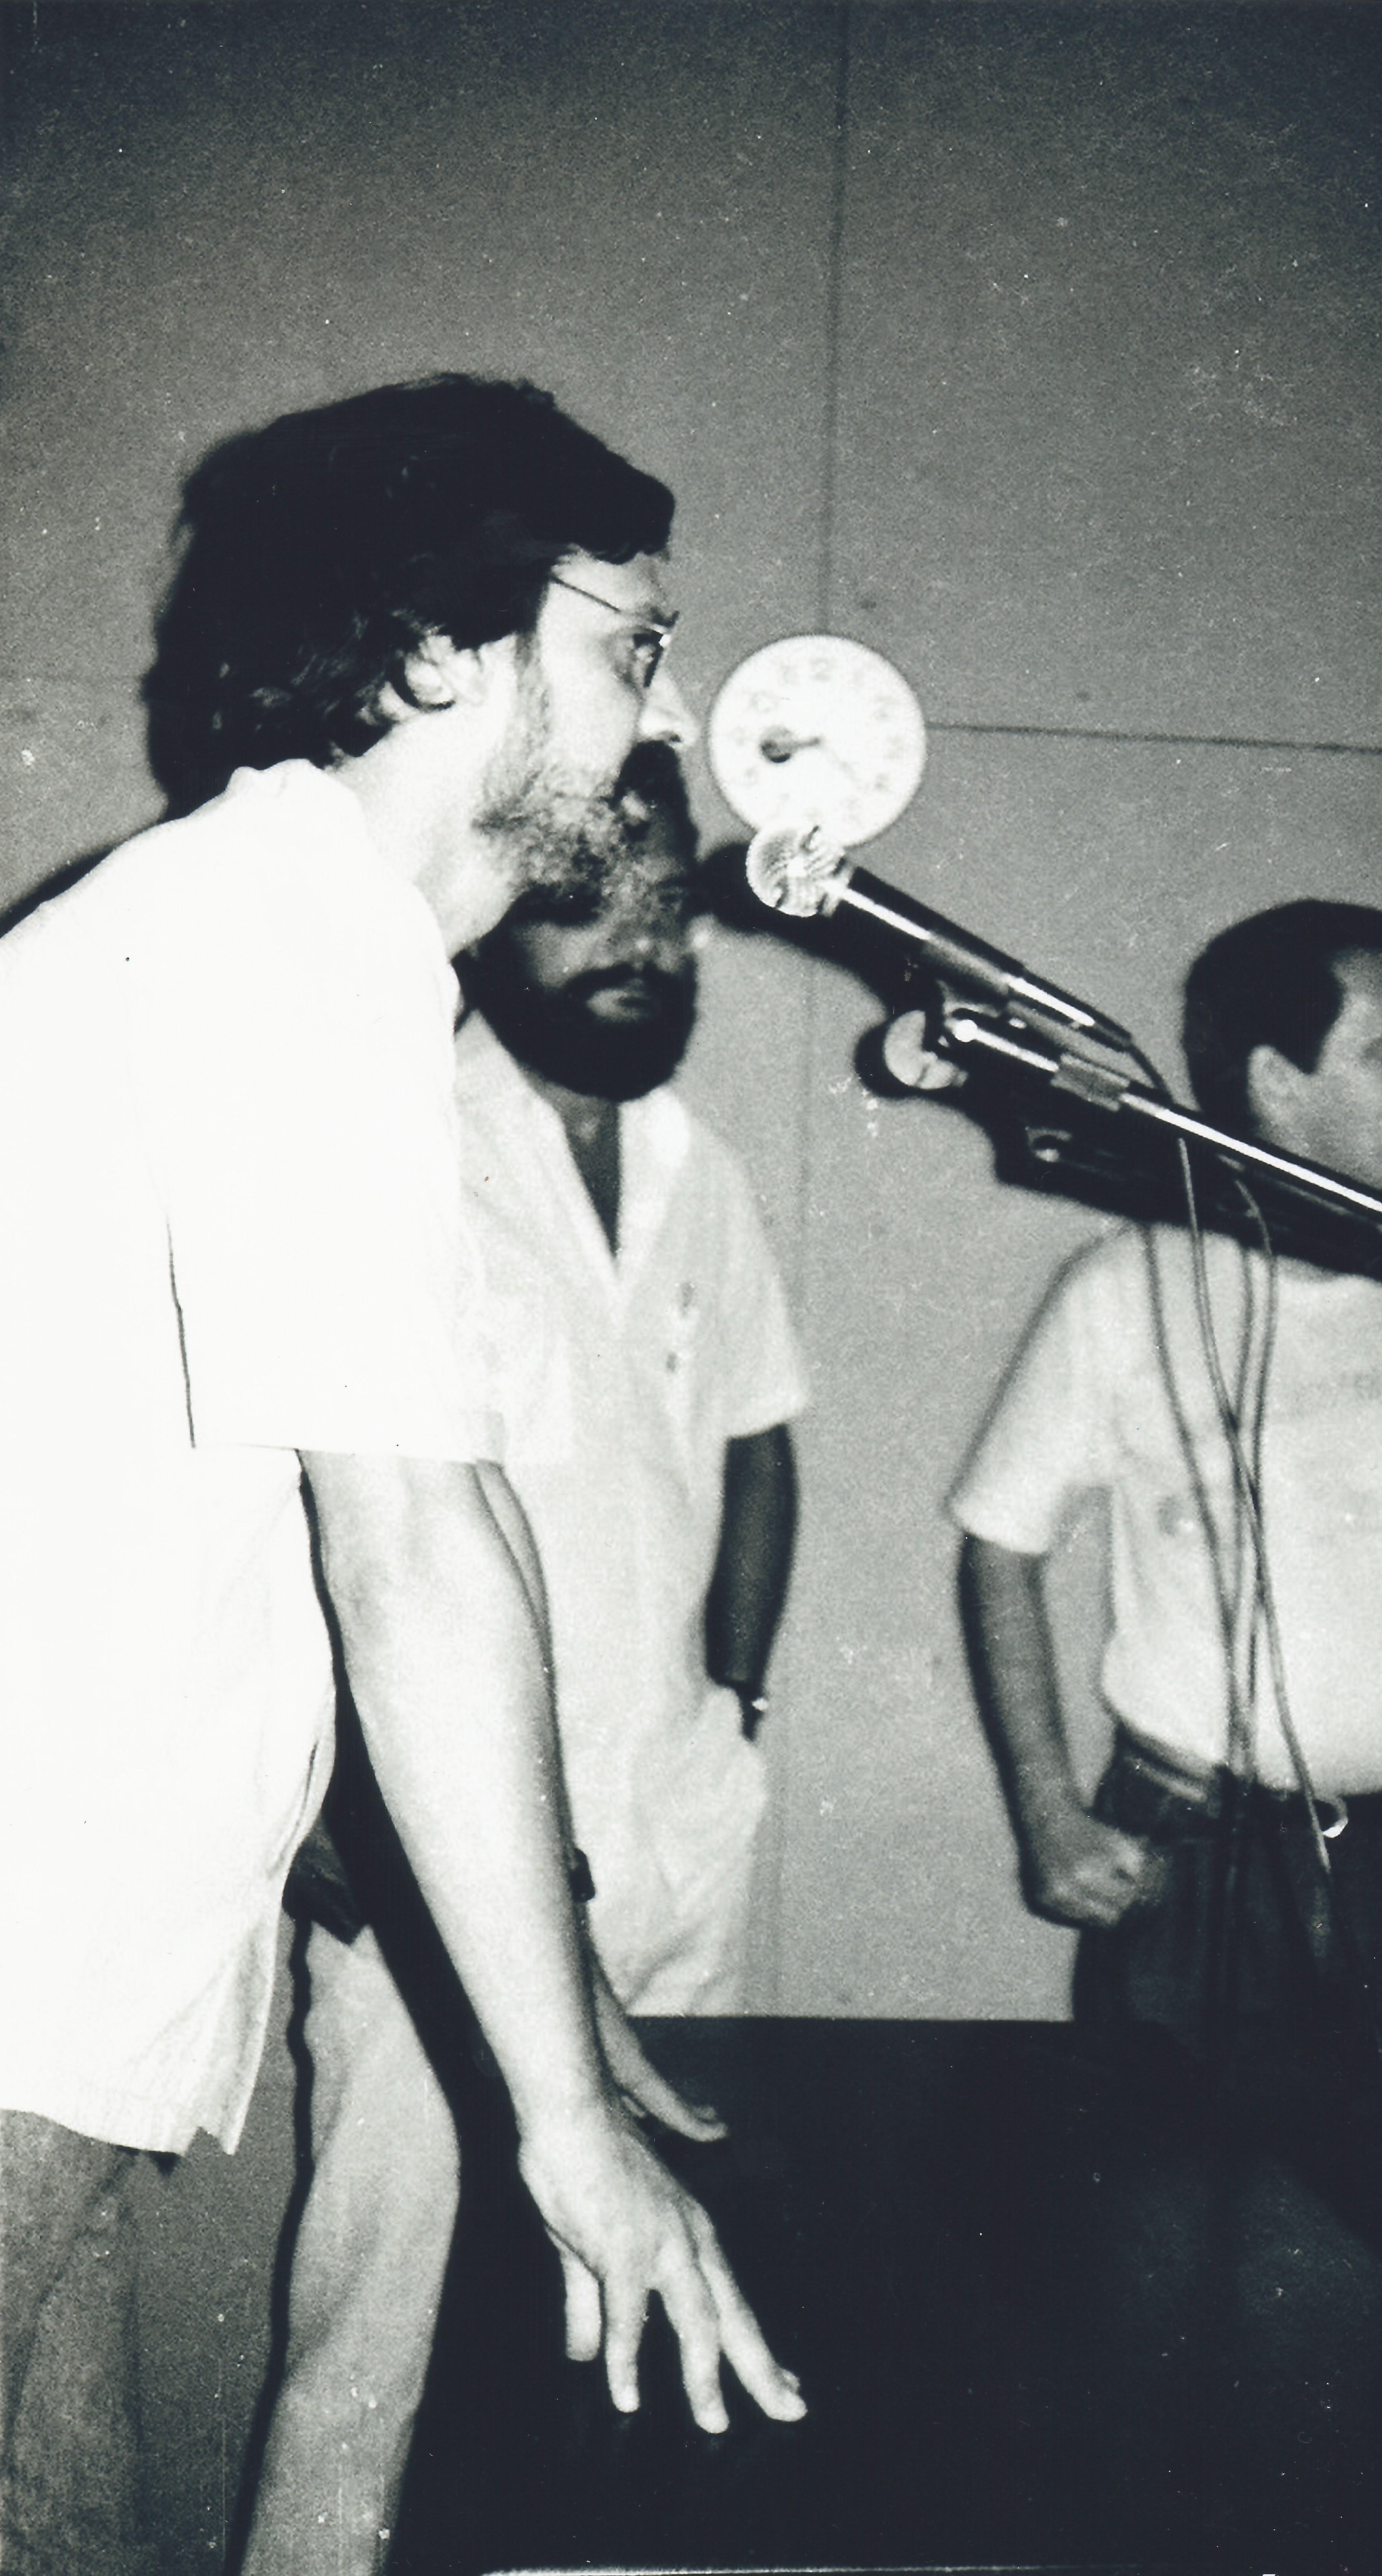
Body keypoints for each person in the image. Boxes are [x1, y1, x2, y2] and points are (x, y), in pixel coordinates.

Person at [0, 376, 803, 2576]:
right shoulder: (283, 940)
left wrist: (556, 1973)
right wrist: (562, 2126)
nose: (669, 715)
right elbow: (410, 1546)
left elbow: (443, 1521)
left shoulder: (309, 946)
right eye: (636, 643)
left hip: (64, 1977)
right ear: (445, 648)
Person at [240, 739, 806, 2571]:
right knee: (381, 2344)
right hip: (446, 1873)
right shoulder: (395, 1133)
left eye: (671, 907)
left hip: (675, 1838)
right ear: (495, 913)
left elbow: (757, 1440)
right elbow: (315, 1519)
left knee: (636, 2336)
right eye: (589, 899)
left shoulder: (701, 1168)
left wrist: (736, 1702)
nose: (642, 941)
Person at [950, 899, 1382, 2307]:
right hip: (1188, 1862)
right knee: (1158, 2292)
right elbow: (1001, 1548)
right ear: (1275, 1081)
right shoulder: (1125, 1290)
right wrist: (1048, 1815)